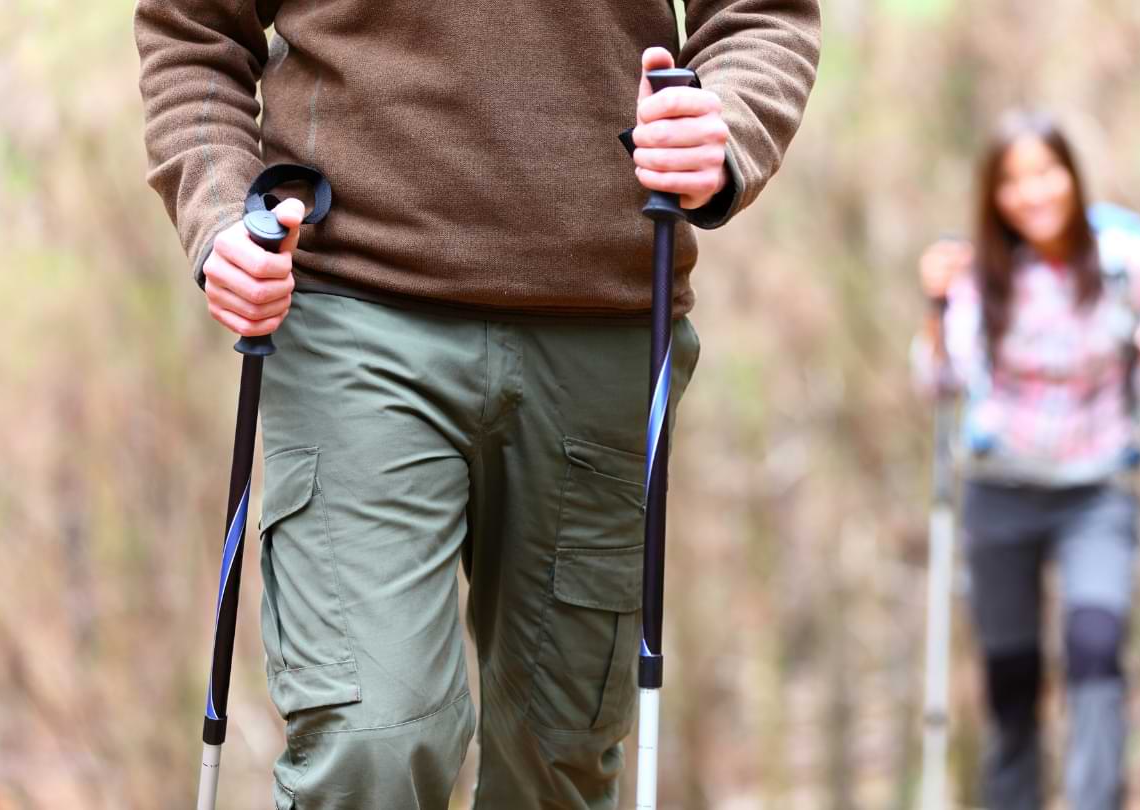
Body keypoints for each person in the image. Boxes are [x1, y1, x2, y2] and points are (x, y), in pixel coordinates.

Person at [134, 3, 819, 808]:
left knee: (553, 766)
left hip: (603, 320)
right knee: (373, 746)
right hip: (354, 303)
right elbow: (192, 34)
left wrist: (725, 127)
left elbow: (759, 16)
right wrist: (219, 219)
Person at [911, 111, 1140, 810]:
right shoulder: (977, 273)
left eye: (1045, 173)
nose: (1032, 194)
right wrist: (933, 310)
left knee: (1096, 650)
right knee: (1012, 676)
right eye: (1012, 181)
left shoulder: (1128, 261)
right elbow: (938, 384)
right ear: (993, 196)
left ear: (1072, 175)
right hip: (1000, 490)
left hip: (1098, 491)